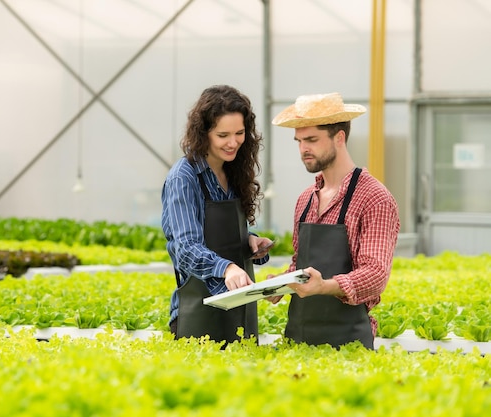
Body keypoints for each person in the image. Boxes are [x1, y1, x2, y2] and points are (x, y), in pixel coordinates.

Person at [268, 92, 400, 349]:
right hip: (298, 340)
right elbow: (300, 263)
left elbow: (375, 274)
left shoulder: (374, 198)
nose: (303, 148)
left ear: (339, 138)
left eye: (312, 140)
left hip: (348, 345)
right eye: (299, 141)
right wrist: (279, 284)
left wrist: (324, 286)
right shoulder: (306, 199)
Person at [161, 84, 273, 345]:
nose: (233, 142)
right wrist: (226, 268)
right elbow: (186, 248)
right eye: (223, 135)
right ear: (204, 133)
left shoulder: (232, 172)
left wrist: (250, 241)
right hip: (199, 312)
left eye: (240, 133)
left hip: (241, 308)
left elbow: (223, 236)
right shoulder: (184, 177)